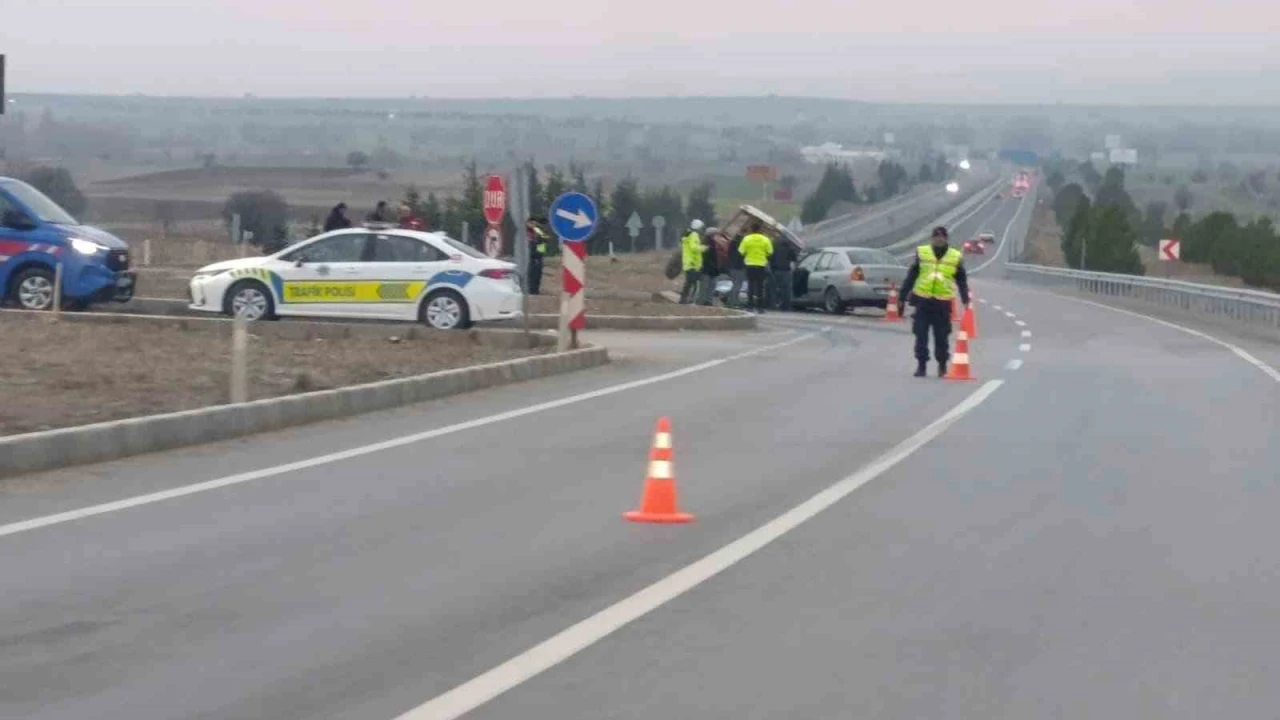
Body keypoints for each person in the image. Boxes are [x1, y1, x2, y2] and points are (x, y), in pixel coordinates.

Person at [897, 226, 971, 377]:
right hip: (922, 302)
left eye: (942, 237)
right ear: (932, 239)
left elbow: (961, 280)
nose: (939, 239)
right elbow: (911, 276)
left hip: (942, 304)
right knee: (921, 335)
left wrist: (965, 299)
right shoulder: (923, 253)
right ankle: (921, 365)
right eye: (936, 237)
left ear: (946, 239)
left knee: (942, 337)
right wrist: (902, 296)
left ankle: (942, 365)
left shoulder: (954, 256)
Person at [738, 223, 774, 313]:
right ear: (760, 230)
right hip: (761, 265)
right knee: (760, 287)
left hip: (749, 264)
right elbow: (770, 252)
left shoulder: (746, 239)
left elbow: (741, 251)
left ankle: (750, 306)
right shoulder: (765, 239)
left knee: (750, 285)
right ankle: (760, 308)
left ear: (751, 229)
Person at [678, 219, 706, 304]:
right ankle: (691, 300)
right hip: (693, 263)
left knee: (689, 283)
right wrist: (703, 248)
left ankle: (684, 299)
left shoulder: (687, 235)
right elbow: (694, 247)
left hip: (688, 263)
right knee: (695, 283)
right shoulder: (694, 235)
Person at [769, 236, 796, 311]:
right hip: (786, 271)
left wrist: (771, 269)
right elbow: (792, 263)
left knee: (774, 288)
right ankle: (786, 306)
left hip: (776, 271)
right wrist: (792, 271)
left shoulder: (775, 248)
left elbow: (771, 259)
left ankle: (773, 305)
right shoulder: (791, 249)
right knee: (787, 289)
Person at [525, 217, 550, 295]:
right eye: (531, 223)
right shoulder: (529, 231)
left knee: (537, 272)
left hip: (538, 252)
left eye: (534, 223)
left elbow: (545, 238)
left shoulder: (538, 230)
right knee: (533, 272)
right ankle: (532, 289)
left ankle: (535, 289)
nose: (533, 225)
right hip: (533, 253)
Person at [697, 227, 721, 306]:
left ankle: (707, 301)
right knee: (706, 286)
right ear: (712, 235)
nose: (717, 236)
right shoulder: (707, 244)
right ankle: (703, 301)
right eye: (716, 234)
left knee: (710, 286)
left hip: (711, 269)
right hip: (707, 269)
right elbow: (706, 257)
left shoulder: (714, 243)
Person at [726, 233, 747, 307]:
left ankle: (731, 300)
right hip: (740, 266)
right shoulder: (743, 243)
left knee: (734, 284)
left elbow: (728, 253)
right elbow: (743, 254)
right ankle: (734, 301)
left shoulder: (732, 242)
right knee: (738, 284)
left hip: (732, 266)